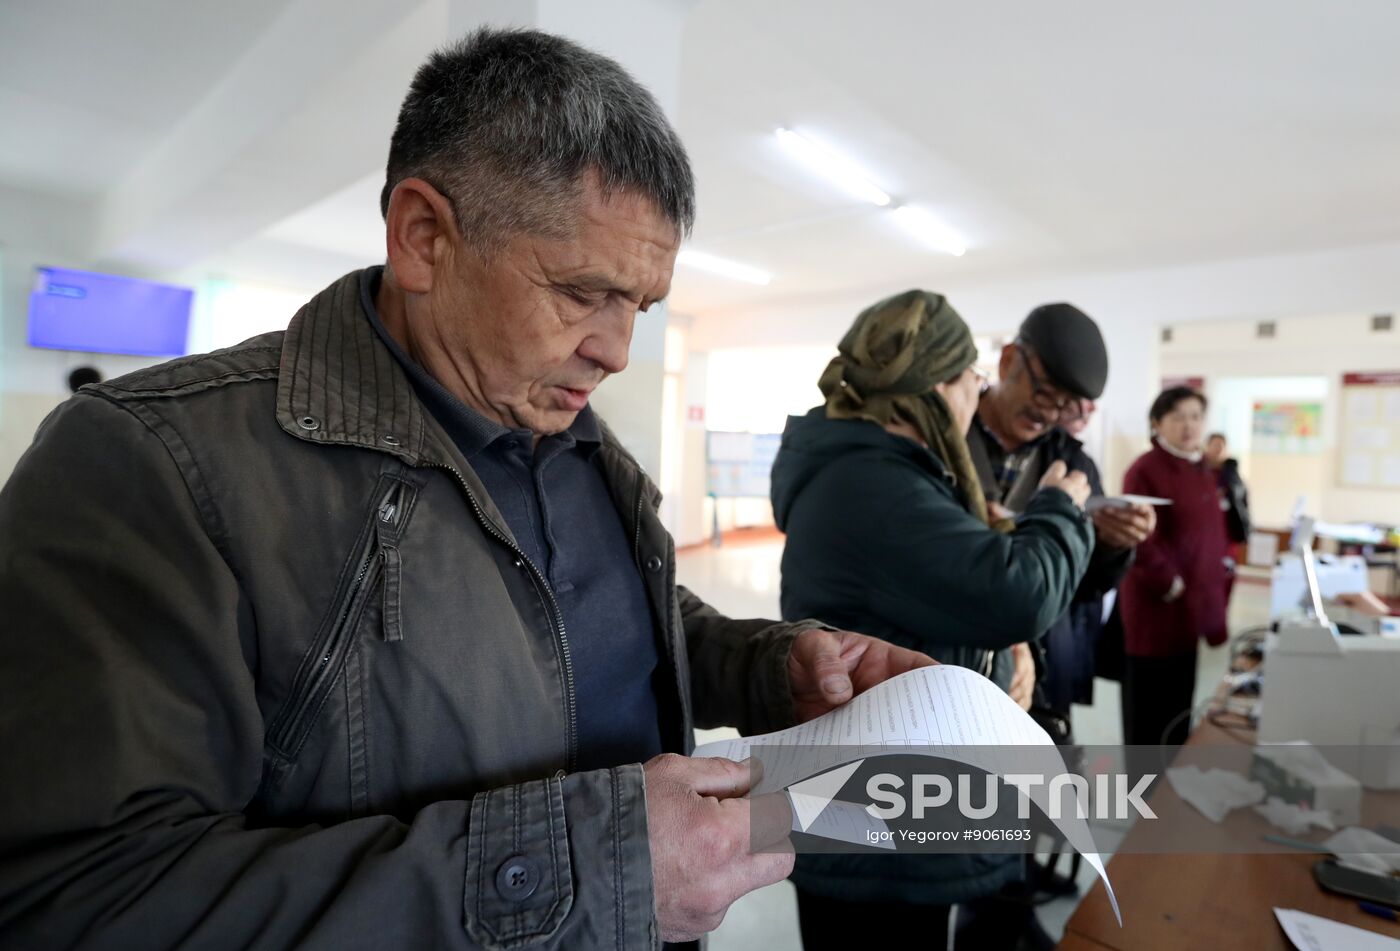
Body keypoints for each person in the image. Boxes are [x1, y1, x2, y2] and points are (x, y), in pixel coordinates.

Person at [0, 29, 934, 949]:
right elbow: (81, 898)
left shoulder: (571, 436)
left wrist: (770, 666)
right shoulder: (153, 464)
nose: (615, 350)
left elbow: (608, 624)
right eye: (580, 291)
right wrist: (587, 868)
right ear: (423, 238)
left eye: (639, 307)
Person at [769, 289, 1095, 950]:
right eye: (969, 374)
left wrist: (1007, 647)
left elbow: (956, 596)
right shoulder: (874, 484)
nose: (976, 389)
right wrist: (1059, 507)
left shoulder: (879, 473)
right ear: (939, 386)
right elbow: (1018, 591)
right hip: (875, 825)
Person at [966, 305, 1156, 737]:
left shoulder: (1075, 466)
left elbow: (1085, 585)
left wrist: (1112, 544)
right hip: (946, 661)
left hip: (1044, 670)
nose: (1050, 413)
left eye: (1067, 405)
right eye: (1046, 392)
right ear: (1009, 359)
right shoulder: (945, 438)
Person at [1119, 387, 1230, 748]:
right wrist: (1173, 585)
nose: (1189, 425)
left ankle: (1170, 793)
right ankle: (1144, 801)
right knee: (1149, 723)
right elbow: (1139, 539)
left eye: (1196, 416)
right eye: (1178, 417)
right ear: (1157, 423)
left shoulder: (1199, 468)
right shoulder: (1145, 469)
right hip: (1155, 616)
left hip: (1189, 615)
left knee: (1179, 713)